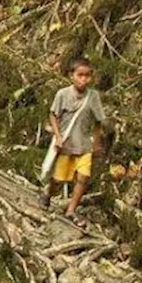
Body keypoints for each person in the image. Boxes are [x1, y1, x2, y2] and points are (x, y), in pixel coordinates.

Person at [40, 58, 105, 227]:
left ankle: (71, 210)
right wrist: (58, 137)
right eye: (80, 75)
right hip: (67, 145)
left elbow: (98, 122)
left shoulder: (93, 97)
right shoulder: (62, 94)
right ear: (71, 76)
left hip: (84, 146)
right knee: (59, 179)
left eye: (87, 76)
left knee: (83, 177)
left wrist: (96, 144)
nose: (83, 79)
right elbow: (53, 115)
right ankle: (48, 192)